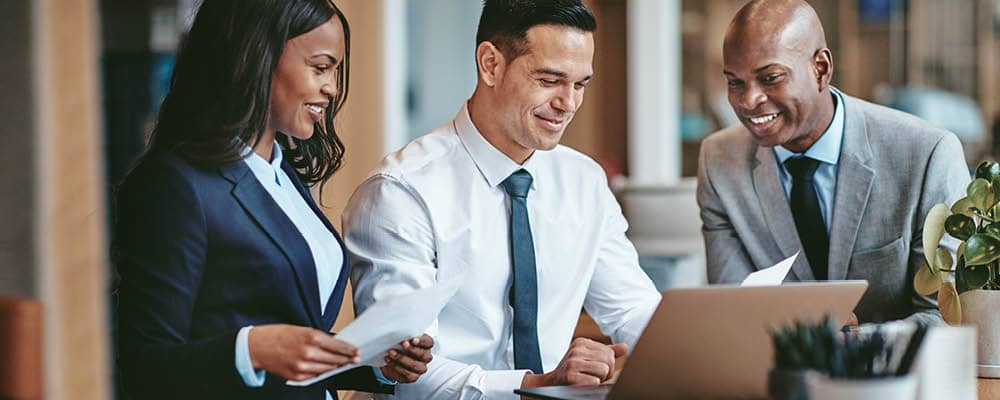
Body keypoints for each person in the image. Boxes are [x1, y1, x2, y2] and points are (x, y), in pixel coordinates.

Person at [342, 1, 662, 398]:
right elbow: (404, 376)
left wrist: (709, 358)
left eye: (580, 84)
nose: (569, 103)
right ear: (490, 64)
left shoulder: (585, 182)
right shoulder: (401, 193)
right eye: (550, 80)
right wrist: (535, 385)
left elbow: (632, 308)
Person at [113, 1, 432, 399]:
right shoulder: (177, 185)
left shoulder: (281, 175)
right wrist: (253, 348)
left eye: (334, 71)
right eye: (320, 67)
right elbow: (146, 366)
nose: (331, 88)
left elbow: (291, 340)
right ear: (257, 58)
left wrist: (371, 361)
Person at [697, 0, 970, 325]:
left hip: (895, 373)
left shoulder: (927, 154)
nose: (748, 100)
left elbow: (944, 317)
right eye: (735, 82)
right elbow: (734, 310)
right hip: (774, 373)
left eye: (770, 78)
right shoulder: (719, 162)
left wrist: (855, 345)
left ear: (821, 69)